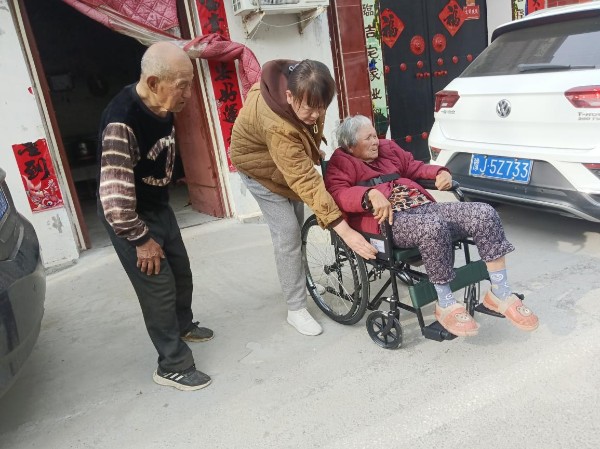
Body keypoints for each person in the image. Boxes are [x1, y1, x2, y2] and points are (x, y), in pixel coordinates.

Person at [324, 115, 539, 337]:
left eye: (374, 135)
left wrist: (439, 172)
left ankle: (500, 293)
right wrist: (368, 194)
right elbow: (338, 193)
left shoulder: (388, 148)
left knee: (484, 213)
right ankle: (445, 303)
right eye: (367, 138)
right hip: (390, 221)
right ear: (350, 146)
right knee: (433, 227)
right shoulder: (341, 162)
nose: (375, 142)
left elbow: (413, 166)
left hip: (424, 206)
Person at [230, 60, 378, 336]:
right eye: (310, 108)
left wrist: (311, 149)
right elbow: (304, 180)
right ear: (289, 96)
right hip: (256, 168)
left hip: (281, 161)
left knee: (298, 226)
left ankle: (302, 280)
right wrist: (345, 230)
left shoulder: (308, 86)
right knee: (287, 232)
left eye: (322, 108)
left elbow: (304, 134)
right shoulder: (276, 124)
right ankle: (296, 308)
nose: (316, 114)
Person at [97, 42, 213, 391]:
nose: (189, 94)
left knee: (181, 272)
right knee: (158, 288)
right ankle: (172, 365)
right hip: (130, 216)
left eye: (190, 84)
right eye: (182, 86)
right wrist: (141, 240)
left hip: (158, 204)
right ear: (152, 82)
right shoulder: (121, 122)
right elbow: (115, 203)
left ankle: (183, 325)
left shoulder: (162, 104)